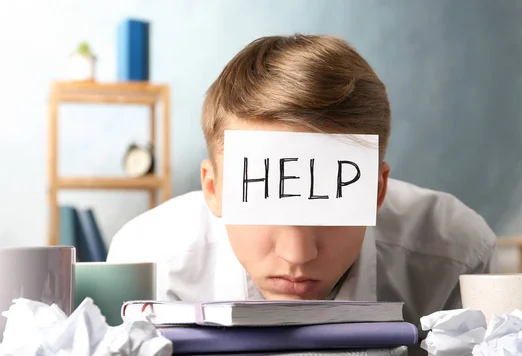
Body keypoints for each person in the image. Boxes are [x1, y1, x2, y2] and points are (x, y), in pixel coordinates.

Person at [107, 34, 497, 328]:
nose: (297, 255)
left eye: (329, 202)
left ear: (377, 190)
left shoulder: (452, 253)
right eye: (264, 199)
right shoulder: (147, 263)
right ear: (214, 189)